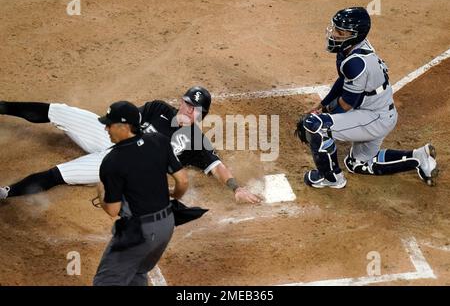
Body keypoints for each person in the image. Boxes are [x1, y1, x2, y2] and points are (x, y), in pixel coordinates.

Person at [0, 86, 261, 204]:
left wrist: (236, 188)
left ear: (202, 114)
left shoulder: (195, 142)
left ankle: (6, 193)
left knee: (60, 174)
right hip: (113, 137)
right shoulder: (158, 108)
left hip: (120, 163)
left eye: (194, 108)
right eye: (185, 103)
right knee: (60, 111)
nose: (186, 109)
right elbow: (129, 117)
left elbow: (218, 168)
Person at [295, 7, 438, 188]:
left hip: (375, 118)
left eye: (340, 31)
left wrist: (323, 118)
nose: (334, 34)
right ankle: (419, 157)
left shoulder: (356, 63)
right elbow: (343, 80)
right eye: (335, 28)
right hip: (377, 111)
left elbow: (347, 103)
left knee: (315, 126)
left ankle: (331, 178)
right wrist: (322, 105)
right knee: (358, 164)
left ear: (355, 34)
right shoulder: (348, 50)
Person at [93, 100, 188, 286]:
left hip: (138, 233)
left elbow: (113, 210)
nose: (106, 129)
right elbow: (183, 180)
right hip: (166, 226)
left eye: (109, 125)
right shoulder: (159, 140)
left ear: (124, 126)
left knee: (106, 281)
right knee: (137, 274)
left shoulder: (112, 161)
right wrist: (175, 195)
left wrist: (100, 191)